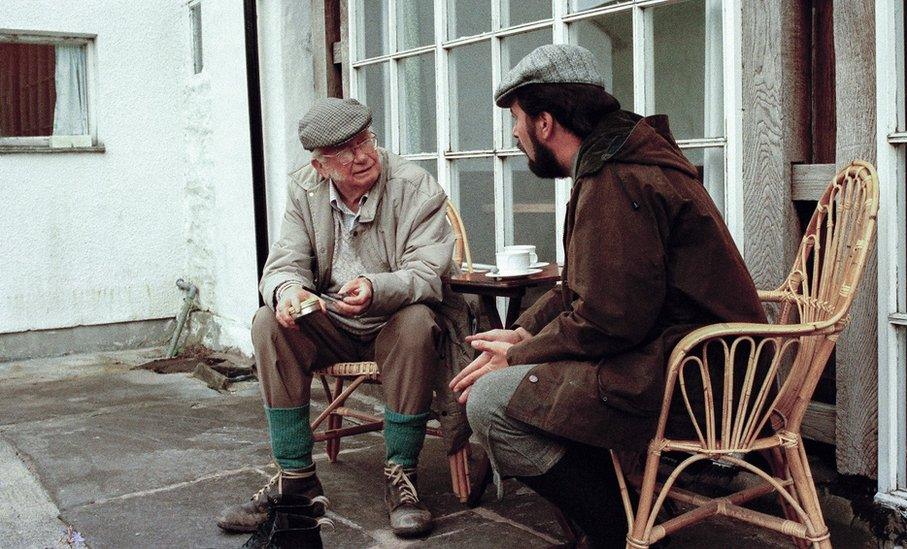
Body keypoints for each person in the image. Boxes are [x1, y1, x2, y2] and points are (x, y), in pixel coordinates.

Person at [451, 44, 767, 547]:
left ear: (545, 122)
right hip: (685, 357)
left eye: (516, 119)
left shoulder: (617, 179)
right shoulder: (619, 161)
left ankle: (619, 532)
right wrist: (525, 330)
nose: (515, 134)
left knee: (490, 403)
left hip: (703, 377)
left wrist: (517, 356)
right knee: (517, 381)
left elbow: (608, 319)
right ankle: (618, 514)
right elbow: (583, 285)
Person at [217, 97, 455, 538]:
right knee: (268, 322)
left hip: (392, 323)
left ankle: (401, 476)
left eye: (365, 140)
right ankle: (296, 480)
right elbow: (284, 263)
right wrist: (288, 292)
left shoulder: (415, 186)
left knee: (419, 320)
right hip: (330, 322)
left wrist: (376, 287)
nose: (363, 156)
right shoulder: (303, 189)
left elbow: (428, 272)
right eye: (345, 151)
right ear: (320, 165)